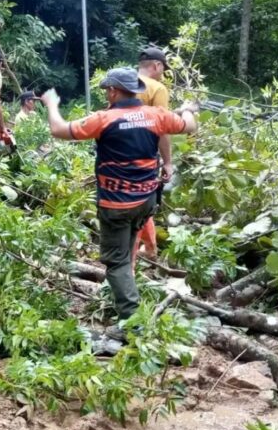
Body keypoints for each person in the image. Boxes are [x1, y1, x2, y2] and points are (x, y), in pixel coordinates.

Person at [39, 68, 198, 340]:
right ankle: (129, 299)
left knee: (116, 262)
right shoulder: (154, 115)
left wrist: (52, 105)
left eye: (106, 91)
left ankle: (132, 323)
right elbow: (189, 126)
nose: (106, 95)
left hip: (117, 204)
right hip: (146, 201)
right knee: (127, 252)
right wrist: (187, 109)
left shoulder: (104, 119)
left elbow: (58, 129)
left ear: (113, 91)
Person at [135, 46, 173, 261]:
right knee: (142, 202)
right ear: (157, 65)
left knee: (134, 201)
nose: (163, 74)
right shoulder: (156, 88)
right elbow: (162, 128)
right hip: (143, 156)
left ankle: (149, 249)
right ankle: (140, 255)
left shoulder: (120, 83)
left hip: (116, 155)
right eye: (163, 69)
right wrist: (168, 161)